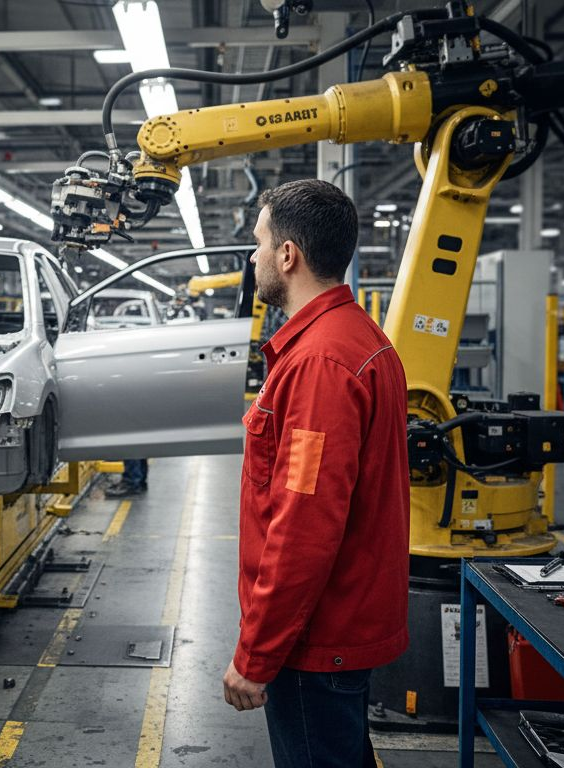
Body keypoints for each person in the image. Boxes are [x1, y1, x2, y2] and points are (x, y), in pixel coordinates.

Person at [222, 179, 410, 768]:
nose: (252, 258)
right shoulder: (356, 341)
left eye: (258, 242)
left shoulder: (320, 364)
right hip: (334, 630)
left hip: (314, 642)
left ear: (287, 255)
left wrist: (257, 655)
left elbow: (304, 526)